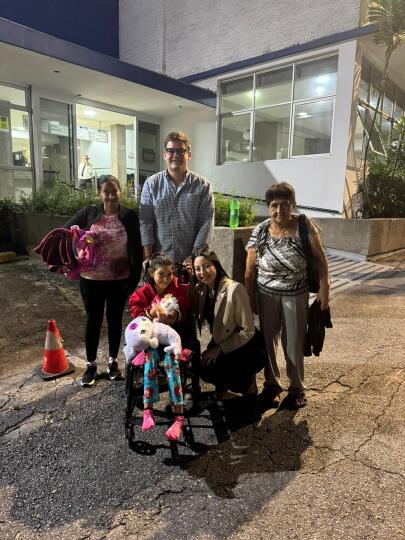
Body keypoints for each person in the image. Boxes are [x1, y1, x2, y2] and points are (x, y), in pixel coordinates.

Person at [245, 182, 330, 409]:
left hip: (296, 293)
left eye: (285, 204)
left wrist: (325, 288)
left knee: (294, 342)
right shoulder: (260, 230)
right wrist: (249, 296)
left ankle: (296, 388)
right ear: (268, 206)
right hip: (266, 294)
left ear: (293, 204)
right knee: (268, 341)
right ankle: (271, 385)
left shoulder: (304, 225)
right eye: (274, 205)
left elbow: (320, 259)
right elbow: (250, 269)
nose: (279, 210)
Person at [64, 175, 143, 386]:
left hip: (119, 280)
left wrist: (134, 279)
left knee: (115, 320)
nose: (110, 195)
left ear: (120, 192)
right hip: (91, 280)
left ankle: (112, 363)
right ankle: (91, 365)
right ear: (99, 193)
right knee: (94, 321)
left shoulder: (129, 216)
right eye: (106, 191)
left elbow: (136, 247)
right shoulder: (89, 212)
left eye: (114, 191)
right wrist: (79, 244)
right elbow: (67, 232)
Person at [128, 253, 190, 440]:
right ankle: (148, 410)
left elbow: (186, 313)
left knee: (173, 363)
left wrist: (176, 316)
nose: (166, 278)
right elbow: (135, 316)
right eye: (161, 274)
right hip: (150, 340)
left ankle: (179, 416)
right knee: (150, 359)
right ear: (152, 273)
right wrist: (150, 312)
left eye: (169, 274)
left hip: (171, 340)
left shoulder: (179, 289)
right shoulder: (143, 292)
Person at [139, 131, 214, 277]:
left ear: (189, 154)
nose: (175, 155)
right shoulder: (151, 184)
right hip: (159, 264)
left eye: (180, 151)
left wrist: (193, 257)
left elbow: (206, 223)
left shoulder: (203, 186)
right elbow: (146, 222)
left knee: (189, 293)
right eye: (171, 151)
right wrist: (148, 257)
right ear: (164, 154)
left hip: (191, 265)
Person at [193, 249, 266, 400]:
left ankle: (249, 388)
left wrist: (219, 349)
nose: (202, 272)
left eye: (207, 266)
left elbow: (247, 331)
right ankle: (223, 391)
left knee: (223, 368)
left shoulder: (235, 289)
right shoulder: (202, 290)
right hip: (223, 338)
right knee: (205, 366)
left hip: (247, 344)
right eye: (197, 268)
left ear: (216, 265)